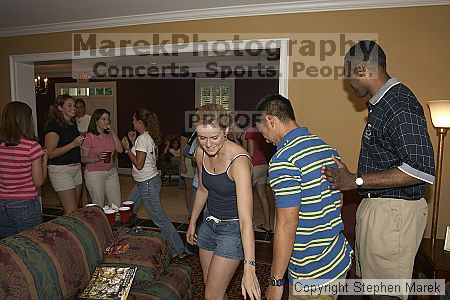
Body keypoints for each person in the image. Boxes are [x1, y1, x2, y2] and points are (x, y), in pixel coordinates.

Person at [321, 40, 435, 299]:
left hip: (392, 214)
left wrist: (356, 181)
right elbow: (388, 160)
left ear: (360, 69)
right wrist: (352, 176)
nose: (347, 81)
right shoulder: (383, 104)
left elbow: (421, 169)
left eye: (347, 73)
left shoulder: (399, 104)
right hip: (380, 211)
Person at [255, 94, 353, 300]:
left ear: (270, 120)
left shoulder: (284, 159)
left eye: (261, 129)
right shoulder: (326, 148)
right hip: (336, 259)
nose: (263, 137)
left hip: (311, 271)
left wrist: (276, 280)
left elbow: (286, 223)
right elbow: (339, 200)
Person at [186, 104, 260, 300]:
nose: (208, 144)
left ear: (226, 130)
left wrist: (250, 266)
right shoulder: (201, 154)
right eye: (202, 138)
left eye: (214, 137)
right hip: (208, 223)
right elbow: (203, 189)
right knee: (211, 285)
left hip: (233, 229)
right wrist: (193, 221)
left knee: (211, 295)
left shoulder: (239, 161)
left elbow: (246, 220)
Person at [121, 108, 186, 258]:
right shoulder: (146, 137)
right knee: (128, 209)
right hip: (145, 181)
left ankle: (178, 249)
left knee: (158, 218)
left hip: (147, 183)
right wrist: (132, 143)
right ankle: (124, 238)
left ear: (139, 122)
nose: (132, 122)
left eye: (133, 120)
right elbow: (148, 159)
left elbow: (138, 164)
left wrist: (126, 150)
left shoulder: (142, 139)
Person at [0, 101, 48, 238]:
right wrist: (44, 160)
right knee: (31, 244)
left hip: (2, 203)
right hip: (25, 204)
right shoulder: (32, 146)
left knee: (8, 247)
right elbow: (38, 181)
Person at [45, 95, 84, 214]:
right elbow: (50, 153)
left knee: (75, 209)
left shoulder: (72, 124)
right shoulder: (53, 126)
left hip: (76, 168)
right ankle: (66, 232)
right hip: (61, 171)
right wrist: (73, 144)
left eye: (74, 105)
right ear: (60, 108)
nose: (74, 108)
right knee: (71, 211)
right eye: (69, 105)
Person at [81, 108, 123, 208]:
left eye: (108, 119)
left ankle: (114, 222)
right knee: (98, 204)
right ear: (96, 121)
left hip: (111, 172)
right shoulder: (89, 137)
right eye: (103, 119)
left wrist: (113, 133)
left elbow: (120, 149)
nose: (107, 122)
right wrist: (96, 158)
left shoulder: (109, 135)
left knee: (116, 203)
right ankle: (99, 223)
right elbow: (83, 158)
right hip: (95, 174)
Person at [245, 124, 272, 232]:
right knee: (263, 197)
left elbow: (251, 153)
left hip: (254, 166)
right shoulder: (263, 130)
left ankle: (251, 225)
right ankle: (268, 225)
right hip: (264, 165)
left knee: (245, 197)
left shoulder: (250, 131)